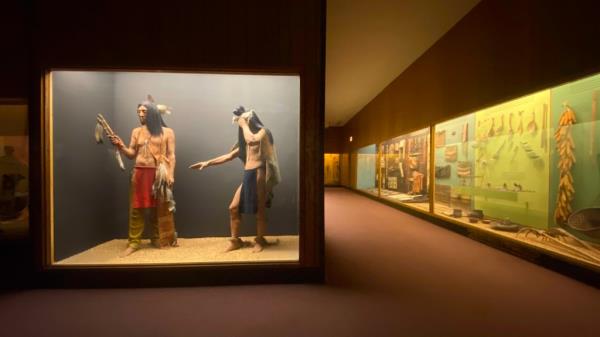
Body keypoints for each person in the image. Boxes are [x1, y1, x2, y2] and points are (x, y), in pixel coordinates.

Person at [189, 106, 280, 252]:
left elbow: (252, 140)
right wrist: (207, 163)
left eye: (243, 120)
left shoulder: (263, 132)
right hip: (248, 174)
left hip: (259, 173)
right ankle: (235, 241)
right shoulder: (245, 142)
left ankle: (260, 240)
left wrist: (243, 123)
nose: (240, 124)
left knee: (260, 209)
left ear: (250, 119)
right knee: (233, 208)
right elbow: (228, 156)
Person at [109, 96, 177, 257]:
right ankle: (134, 242)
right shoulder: (136, 132)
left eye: (143, 111)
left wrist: (171, 174)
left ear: (153, 112)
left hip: (158, 174)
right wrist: (121, 146)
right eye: (138, 111)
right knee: (136, 209)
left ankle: (157, 237)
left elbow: (171, 155)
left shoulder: (167, 132)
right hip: (139, 173)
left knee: (158, 208)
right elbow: (132, 154)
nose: (140, 114)